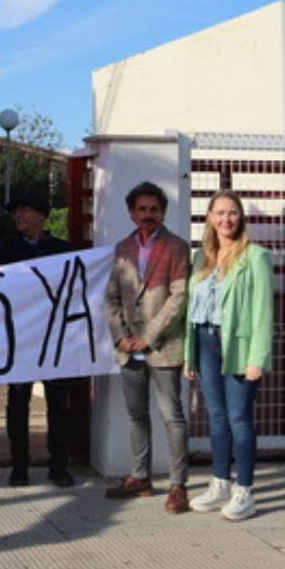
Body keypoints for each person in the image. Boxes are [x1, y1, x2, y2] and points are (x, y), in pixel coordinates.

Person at [0, 193, 74, 488]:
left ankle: (59, 466)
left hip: (53, 340)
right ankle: (20, 466)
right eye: (16, 212)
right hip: (18, 341)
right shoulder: (6, 249)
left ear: (40, 215)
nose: (19, 216)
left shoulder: (62, 250)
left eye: (25, 209)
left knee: (57, 404)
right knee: (17, 405)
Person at [103, 182, 191, 514]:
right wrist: (121, 336)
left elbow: (179, 297)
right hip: (129, 348)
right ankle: (140, 478)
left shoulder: (177, 247)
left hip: (163, 345)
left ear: (163, 212)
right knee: (136, 415)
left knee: (172, 416)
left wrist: (149, 336)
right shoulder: (123, 247)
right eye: (141, 209)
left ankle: (178, 484)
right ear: (131, 213)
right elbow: (112, 297)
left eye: (153, 209)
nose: (147, 215)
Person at [184, 190, 272, 521]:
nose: (226, 219)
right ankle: (220, 482)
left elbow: (263, 313)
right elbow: (190, 311)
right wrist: (190, 356)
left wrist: (257, 358)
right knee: (216, 417)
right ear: (209, 217)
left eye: (232, 212)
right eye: (220, 212)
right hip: (205, 342)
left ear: (241, 217)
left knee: (239, 419)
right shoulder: (200, 258)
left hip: (237, 346)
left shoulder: (256, 257)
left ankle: (244, 491)